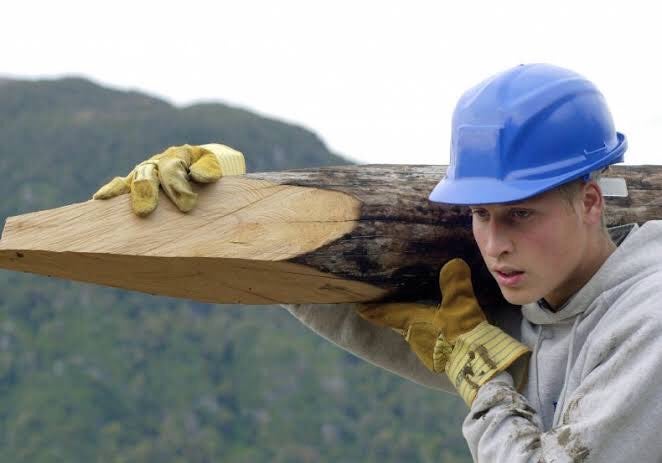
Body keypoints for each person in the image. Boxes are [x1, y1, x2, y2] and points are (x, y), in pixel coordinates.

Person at [94, 64, 662, 462]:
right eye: (480, 213)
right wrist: (235, 203)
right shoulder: (545, 306)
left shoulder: (647, 322)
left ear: (590, 201)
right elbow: (365, 315)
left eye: (519, 214)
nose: (493, 244)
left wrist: (484, 380)